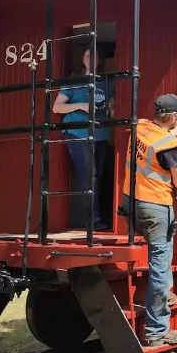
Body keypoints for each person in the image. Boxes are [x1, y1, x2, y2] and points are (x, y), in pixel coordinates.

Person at [120, 94, 177, 347]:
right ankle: (157, 330)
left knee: (165, 247)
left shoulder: (140, 127)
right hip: (155, 207)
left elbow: (168, 133)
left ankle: (166, 297)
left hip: (131, 202)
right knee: (160, 265)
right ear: (171, 116)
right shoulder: (169, 147)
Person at [53, 47, 113, 231]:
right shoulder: (74, 82)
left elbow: (113, 109)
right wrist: (81, 105)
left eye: (95, 54)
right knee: (90, 175)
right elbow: (57, 108)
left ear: (100, 60)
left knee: (99, 176)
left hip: (101, 135)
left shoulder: (108, 82)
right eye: (88, 54)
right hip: (77, 133)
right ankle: (92, 220)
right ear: (83, 59)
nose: (92, 58)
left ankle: (98, 217)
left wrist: (113, 108)